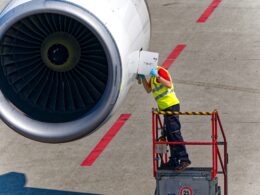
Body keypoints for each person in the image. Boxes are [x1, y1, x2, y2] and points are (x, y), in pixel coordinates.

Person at [138, 66, 191, 171]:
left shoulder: (160, 71)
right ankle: (174, 160)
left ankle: (184, 159)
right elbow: (148, 90)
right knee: (169, 134)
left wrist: (157, 75)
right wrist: (143, 78)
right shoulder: (153, 77)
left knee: (174, 132)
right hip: (165, 109)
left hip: (171, 105)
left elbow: (168, 84)